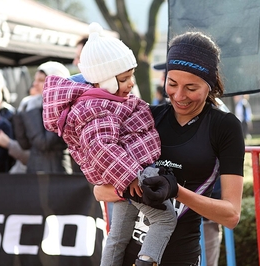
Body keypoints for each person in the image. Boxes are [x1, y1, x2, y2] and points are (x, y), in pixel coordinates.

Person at [93, 31, 245, 266]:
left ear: (210, 84)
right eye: (172, 84)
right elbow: (99, 191)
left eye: (191, 88)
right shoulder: (147, 116)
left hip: (180, 257)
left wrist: (175, 191)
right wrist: (139, 186)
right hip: (128, 256)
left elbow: (231, 215)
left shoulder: (224, 126)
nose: (179, 95)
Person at [42, 22, 177, 266]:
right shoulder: (97, 108)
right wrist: (131, 176)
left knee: (118, 234)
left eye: (131, 76)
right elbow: (101, 148)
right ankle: (147, 262)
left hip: (126, 174)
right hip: (132, 172)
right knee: (165, 219)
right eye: (124, 79)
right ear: (104, 81)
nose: (130, 84)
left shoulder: (107, 101)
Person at [13, 61, 71, 174]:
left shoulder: (62, 107)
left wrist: (31, 111)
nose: (35, 84)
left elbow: (43, 143)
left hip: (56, 172)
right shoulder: (34, 104)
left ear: (55, 83)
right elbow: (24, 144)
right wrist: (20, 113)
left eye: (41, 80)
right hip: (34, 169)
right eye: (35, 80)